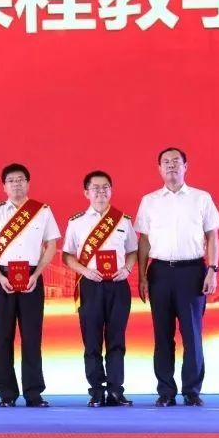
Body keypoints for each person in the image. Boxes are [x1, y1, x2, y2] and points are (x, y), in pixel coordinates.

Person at [135, 147, 219, 407]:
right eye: (166, 162)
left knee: (192, 334)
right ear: (159, 168)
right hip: (160, 272)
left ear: (186, 166)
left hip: (192, 272)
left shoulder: (201, 198)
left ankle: (192, 390)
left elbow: (212, 237)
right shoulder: (149, 201)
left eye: (176, 161)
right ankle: (166, 391)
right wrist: (142, 276)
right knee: (162, 335)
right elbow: (144, 241)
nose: (171, 165)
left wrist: (212, 269)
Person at [0, 163, 61, 407]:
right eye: (11, 180)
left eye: (21, 179)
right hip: (2, 279)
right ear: (4, 186)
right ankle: (7, 393)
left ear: (28, 183)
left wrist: (37, 274)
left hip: (32, 279)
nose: (16, 184)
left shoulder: (42, 211)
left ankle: (33, 393)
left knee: (32, 337)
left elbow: (51, 245)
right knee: (3, 337)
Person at [62, 171, 137, 407]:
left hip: (118, 285)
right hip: (90, 285)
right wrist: (84, 271)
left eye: (105, 187)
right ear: (86, 192)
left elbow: (133, 251)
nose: (101, 192)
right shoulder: (76, 222)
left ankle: (115, 390)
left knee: (117, 339)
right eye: (95, 188)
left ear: (111, 191)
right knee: (92, 341)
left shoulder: (123, 220)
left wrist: (127, 269)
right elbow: (67, 256)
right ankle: (96, 390)